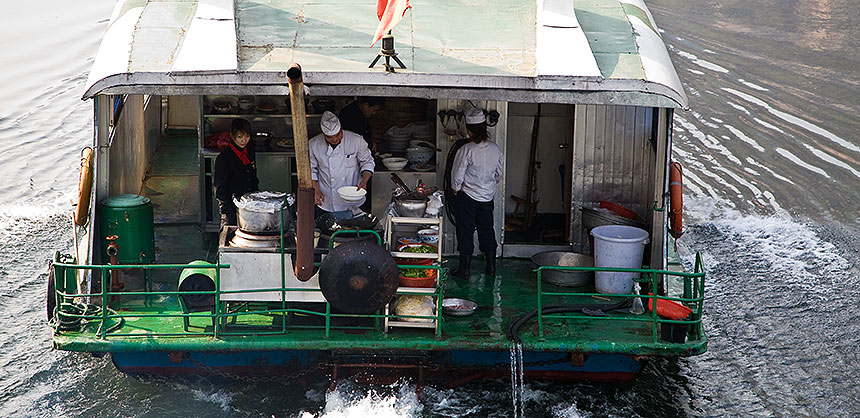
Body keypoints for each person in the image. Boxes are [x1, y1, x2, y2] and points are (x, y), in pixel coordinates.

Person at [450, 108, 504, 279]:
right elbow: (499, 174)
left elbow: (457, 174)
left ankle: (464, 270)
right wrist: (487, 184)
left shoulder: (466, 150)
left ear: (468, 129)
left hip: (468, 197)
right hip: (487, 197)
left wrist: (455, 188)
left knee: (465, 231)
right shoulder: (496, 149)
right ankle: (491, 267)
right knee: (486, 229)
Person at [309, 111, 375, 222]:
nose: (335, 139)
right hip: (327, 199)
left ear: (341, 129)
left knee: (353, 231)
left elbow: (367, 162)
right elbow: (311, 169)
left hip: (353, 198)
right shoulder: (313, 144)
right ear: (323, 134)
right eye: (329, 137)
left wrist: (364, 181)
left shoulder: (356, 140)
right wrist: (315, 188)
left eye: (338, 135)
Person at [214, 118, 259, 227]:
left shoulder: (250, 151)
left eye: (247, 137)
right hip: (231, 208)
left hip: (250, 204)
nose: (244, 141)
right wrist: (226, 211)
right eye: (240, 137)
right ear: (232, 136)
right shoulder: (224, 158)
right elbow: (220, 188)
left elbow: (253, 177)